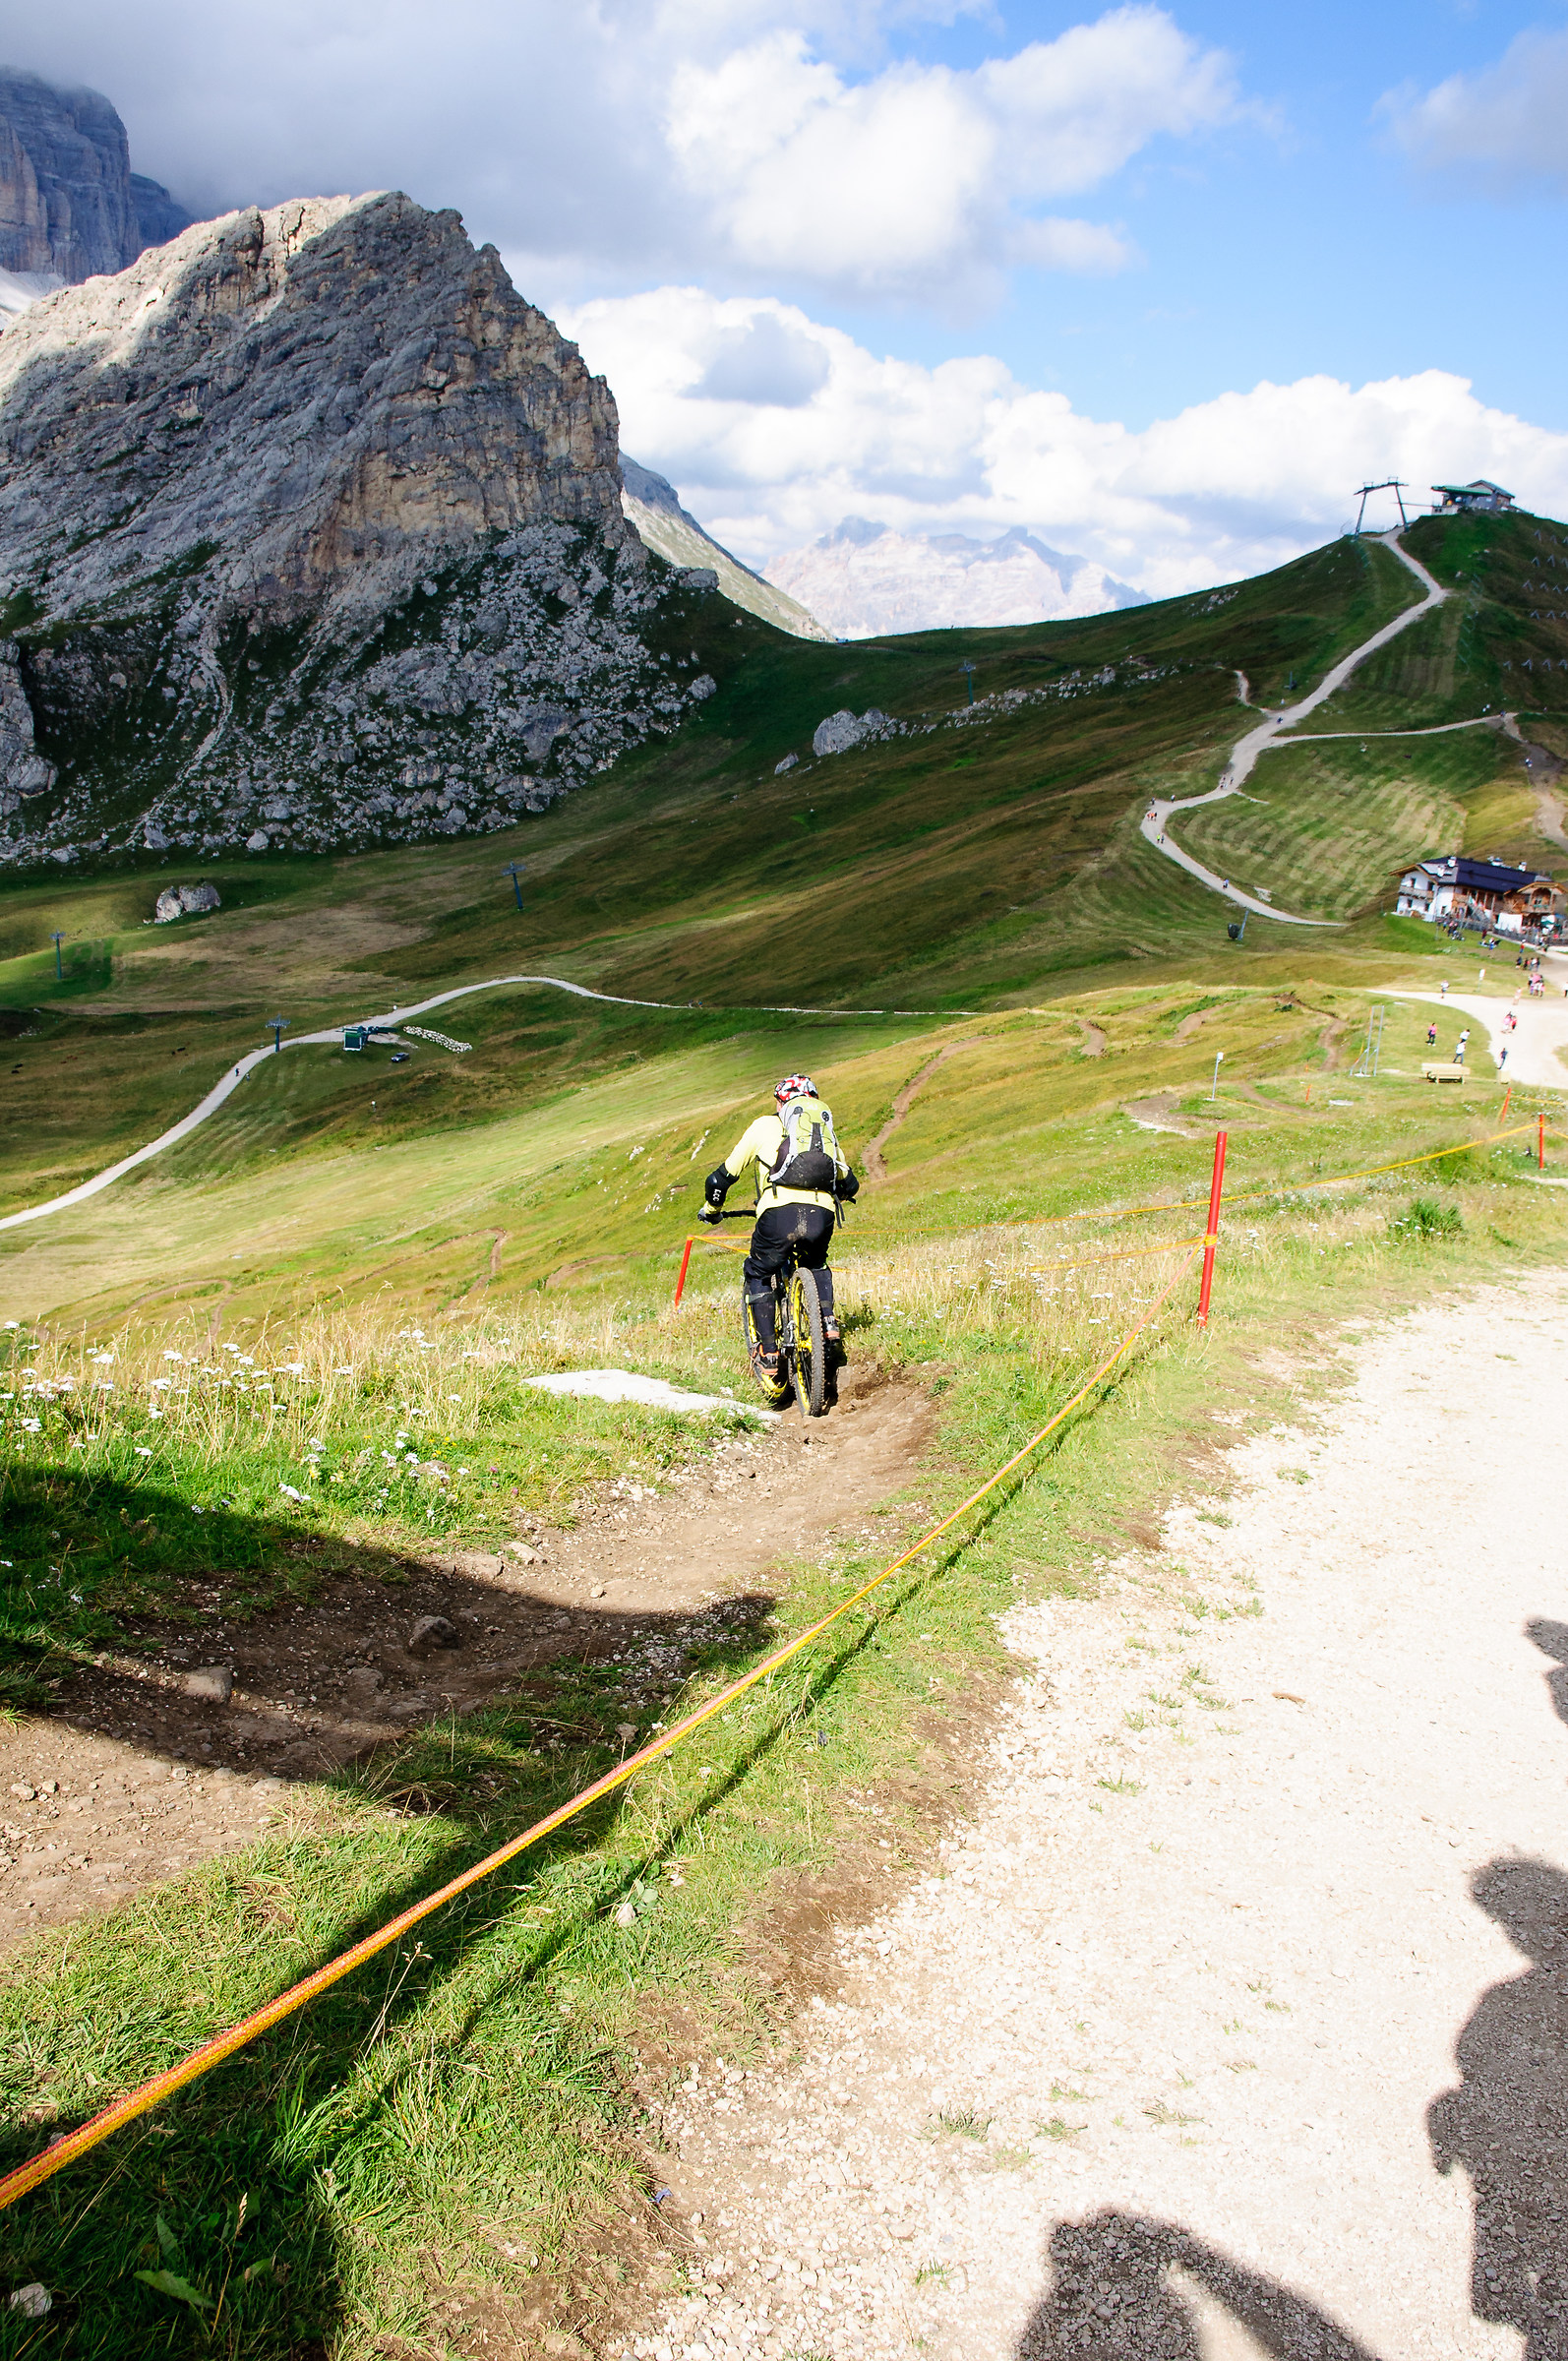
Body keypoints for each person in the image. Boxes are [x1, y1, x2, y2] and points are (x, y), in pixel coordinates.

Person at [703, 1075, 859, 1386]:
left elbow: (720, 1180)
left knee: (758, 1272)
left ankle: (769, 1354)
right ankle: (827, 1323)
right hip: (821, 1214)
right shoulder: (822, 1132)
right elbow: (850, 1184)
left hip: (777, 1214)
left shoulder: (763, 1126)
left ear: (780, 1103)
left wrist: (712, 1212)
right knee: (816, 1263)